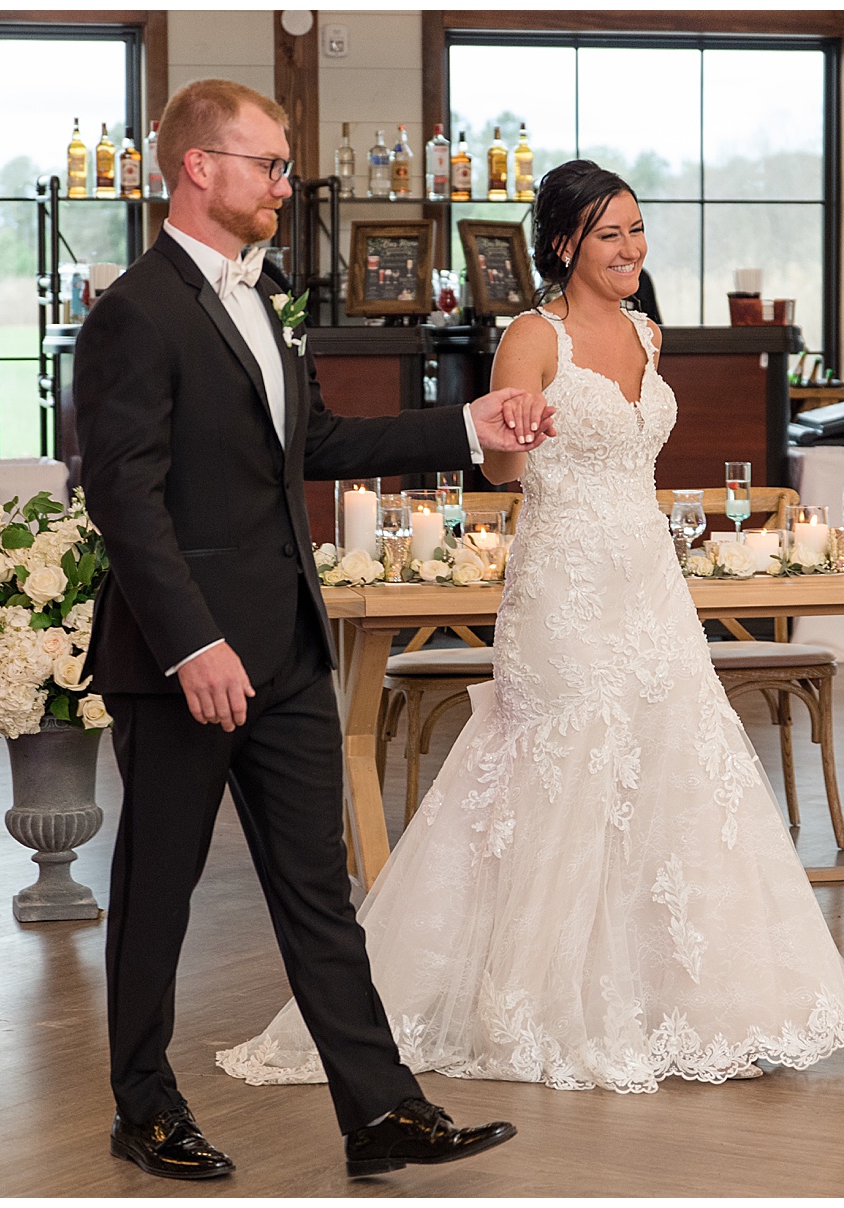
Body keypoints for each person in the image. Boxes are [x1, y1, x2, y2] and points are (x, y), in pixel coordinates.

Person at [220, 160, 844, 1095]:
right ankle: (533, 1001)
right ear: (566, 243)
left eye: (638, 231)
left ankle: (684, 999)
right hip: (564, 582)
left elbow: (639, 452)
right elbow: (497, 466)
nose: (632, 250)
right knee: (562, 764)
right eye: (611, 235)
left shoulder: (650, 331)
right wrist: (514, 430)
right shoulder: (533, 335)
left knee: (672, 761)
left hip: (646, 576)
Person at [74, 79, 555, 1181]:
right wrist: (193, 643)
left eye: (286, 168)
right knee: (159, 889)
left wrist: (466, 420)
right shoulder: (133, 314)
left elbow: (317, 444)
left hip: (287, 647)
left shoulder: (263, 296)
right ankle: (142, 1106)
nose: (286, 187)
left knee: (319, 889)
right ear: (199, 167)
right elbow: (125, 497)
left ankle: (380, 1108)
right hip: (186, 659)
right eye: (269, 166)